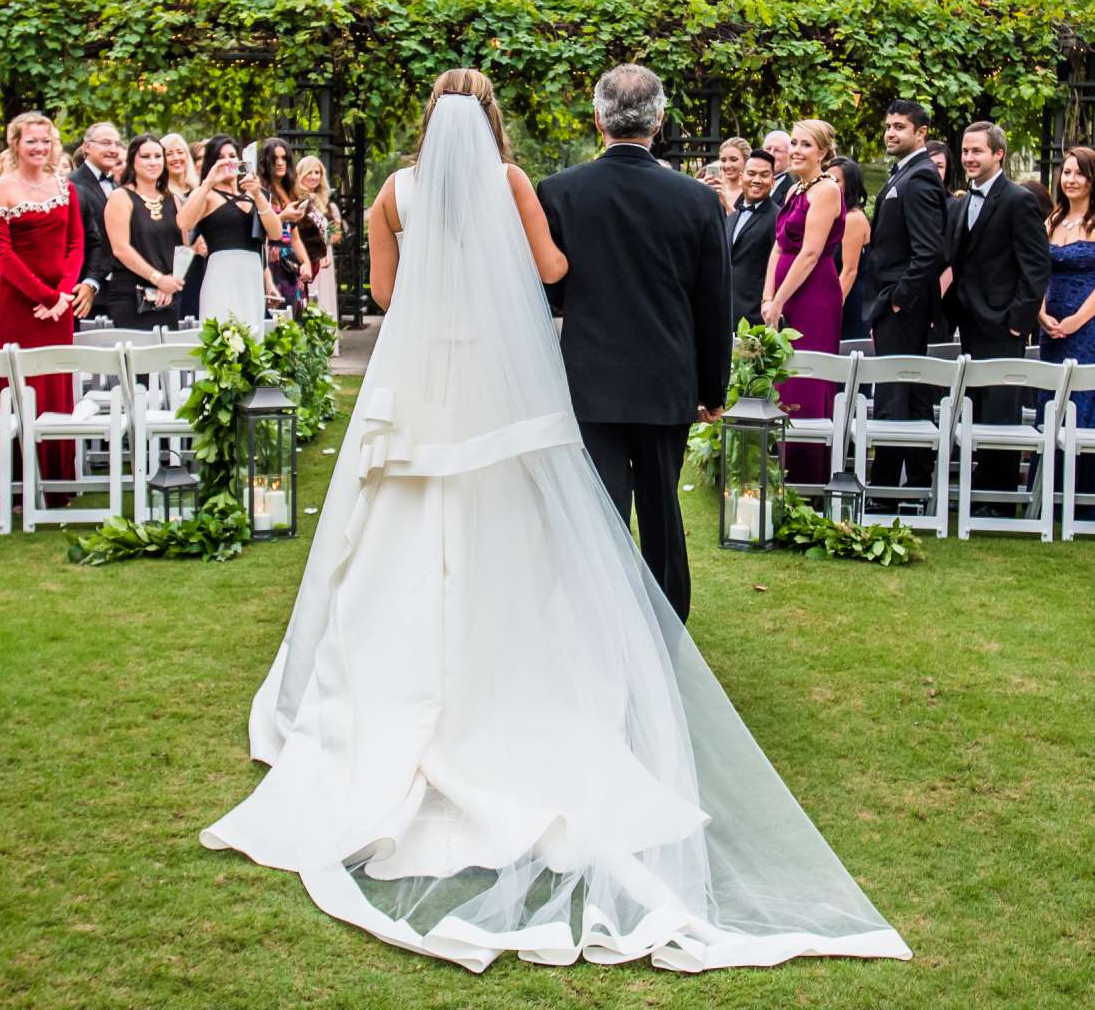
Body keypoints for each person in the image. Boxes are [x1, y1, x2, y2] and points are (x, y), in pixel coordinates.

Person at [203, 71, 906, 973]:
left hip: (442, 385)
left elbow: (385, 296)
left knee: (410, 535)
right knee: (561, 530)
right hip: (537, 388)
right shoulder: (532, 184)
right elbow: (560, 276)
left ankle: (414, 676)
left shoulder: (401, 193)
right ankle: (617, 669)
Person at [536, 64, 732, 624]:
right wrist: (712, 386)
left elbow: (546, 293)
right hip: (665, 381)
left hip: (590, 380)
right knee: (663, 511)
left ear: (598, 120)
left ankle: (601, 626)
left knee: (599, 513)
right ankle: (668, 628)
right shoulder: (696, 200)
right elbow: (713, 304)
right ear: (660, 121)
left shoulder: (560, 192)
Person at [945, 121, 1051, 503]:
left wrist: (1016, 323)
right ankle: (978, 490)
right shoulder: (961, 202)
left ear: (998, 154)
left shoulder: (1018, 200)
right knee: (976, 405)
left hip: (1002, 324)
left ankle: (999, 496)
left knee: (1001, 411)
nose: (969, 158)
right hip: (967, 321)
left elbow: (1036, 268)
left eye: (977, 151)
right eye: (966, 151)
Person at [0, 113, 84, 488]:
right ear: (15, 145)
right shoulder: (0, 187)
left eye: (46, 141)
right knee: (23, 386)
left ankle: (59, 483)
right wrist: (43, 295)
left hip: (59, 308)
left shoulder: (65, 187)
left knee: (58, 386)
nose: (40, 148)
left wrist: (61, 296)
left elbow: (76, 245)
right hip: (19, 305)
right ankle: (20, 483)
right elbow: (1, 253)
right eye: (32, 141)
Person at [860, 101, 952, 488]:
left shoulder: (920, 177)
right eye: (888, 126)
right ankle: (915, 482)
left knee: (895, 394)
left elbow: (929, 250)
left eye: (900, 127)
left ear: (921, 133)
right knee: (906, 394)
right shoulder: (906, 174)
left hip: (905, 307)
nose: (890, 133)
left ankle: (884, 487)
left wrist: (899, 298)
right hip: (897, 302)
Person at [1035, 146, 1095, 519]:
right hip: (1051, 326)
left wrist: (1077, 319)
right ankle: (1049, 500)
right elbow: (1039, 272)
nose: (1070, 180)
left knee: (1087, 406)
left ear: (1093, 180)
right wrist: (1040, 314)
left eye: (1079, 174)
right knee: (1052, 403)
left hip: (1091, 328)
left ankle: (1089, 503)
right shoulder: (1053, 220)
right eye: (1066, 173)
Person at [762, 118, 844, 484]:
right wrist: (768, 297)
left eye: (806, 144)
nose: (796, 150)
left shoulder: (826, 190)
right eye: (793, 143)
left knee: (806, 379)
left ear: (824, 152)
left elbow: (809, 254)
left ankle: (808, 477)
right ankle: (783, 470)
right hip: (785, 293)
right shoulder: (794, 190)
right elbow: (778, 245)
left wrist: (779, 301)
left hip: (812, 296)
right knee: (785, 378)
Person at [177, 134, 281, 330]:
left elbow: (275, 233)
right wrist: (208, 182)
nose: (227, 161)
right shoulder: (206, 195)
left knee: (252, 332)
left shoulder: (254, 196)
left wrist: (258, 194)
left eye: (232, 155)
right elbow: (183, 222)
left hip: (251, 271)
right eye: (220, 157)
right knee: (223, 332)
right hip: (222, 270)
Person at [102, 134, 186, 329]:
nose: (153, 162)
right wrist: (158, 279)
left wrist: (171, 282)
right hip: (131, 296)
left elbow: (183, 247)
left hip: (167, 298)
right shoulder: (121, 197)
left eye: (158, 156)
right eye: (146, 156)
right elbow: (121, 249)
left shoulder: (173, 200)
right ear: (133, 160)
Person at [68, 122, 124, 319]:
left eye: (117, 144)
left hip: (118, 289)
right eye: (106, 143)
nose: (113, 149)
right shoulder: (72, 184)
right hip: (86, 290)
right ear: (87, 146)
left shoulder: (116, 186)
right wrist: (90, 281)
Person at [254, 135, 312, 313]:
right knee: (274, 318)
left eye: (284, 158)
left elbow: (295, 237)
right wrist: (283, 216)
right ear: (265, 162)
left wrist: (306, 263)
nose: (280, 163)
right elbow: (259, 231)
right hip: (270, 261)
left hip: (290, 262)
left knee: (293, 318)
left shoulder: (290, 191)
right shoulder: (260, 192)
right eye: (274, 159)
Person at [723, 148, 778, 328]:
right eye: (751, 173)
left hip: (756, 317)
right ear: (741, 178)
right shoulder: (731, 217)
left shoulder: (778, 218)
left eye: (764, 175)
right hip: (726, 314)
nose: (757, 180)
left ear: (773, 181)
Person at [160, 133, 203, 320]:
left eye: (180, 152)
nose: (176, 158)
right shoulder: (163, 195)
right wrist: (193, 249)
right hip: (178, 271)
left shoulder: (198, 190)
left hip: (205, 266)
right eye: (170, 154)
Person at [292, 153, 342, 314]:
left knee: (323, 303)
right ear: (300, 174)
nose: (314, 177)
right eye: (309, 172)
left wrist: (324, 242)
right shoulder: (293, 200)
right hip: (303, 257)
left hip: (324, 258)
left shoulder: (328, 206)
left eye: (317, 172)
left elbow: (335, 234)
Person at [834, 156, 874, 342]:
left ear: (850, 185)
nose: (830, 185)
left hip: (849, 302)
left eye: (836, 181)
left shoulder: (853, 219)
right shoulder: (832, 217)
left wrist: (830, 309)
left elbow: (849, 271)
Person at [762, 128, 794, 209]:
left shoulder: (793, 191)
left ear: (789, 155)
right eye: (768, 149)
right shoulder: (749, 181)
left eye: (777, 150)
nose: (770, 154)